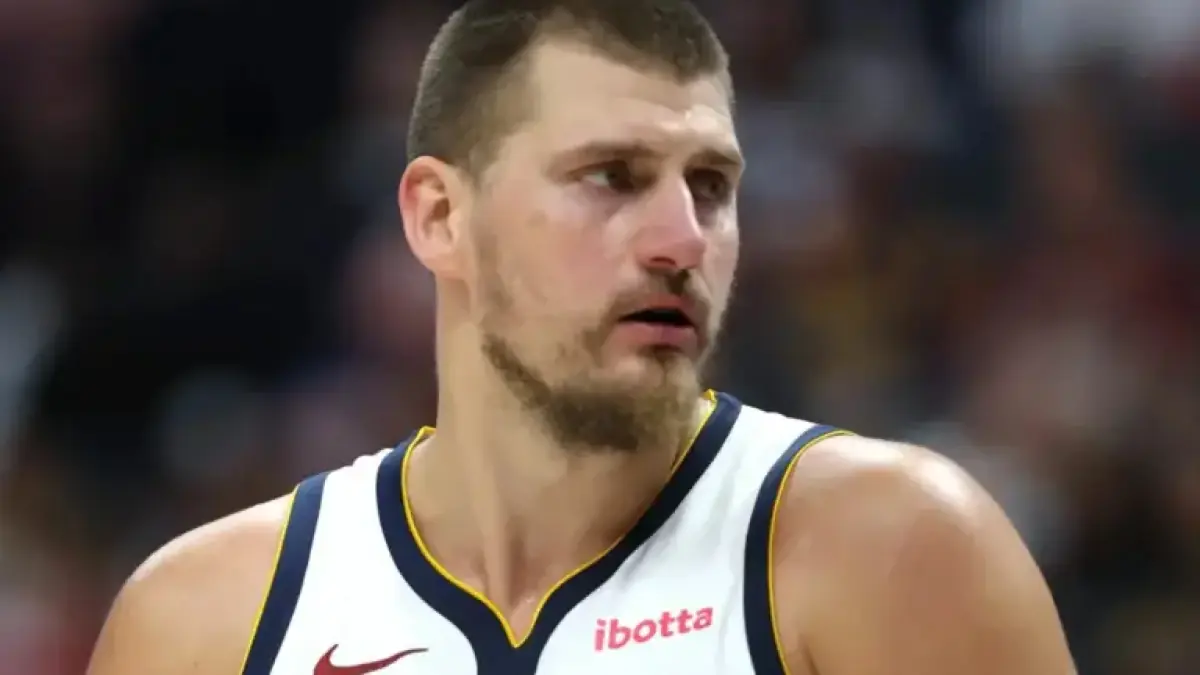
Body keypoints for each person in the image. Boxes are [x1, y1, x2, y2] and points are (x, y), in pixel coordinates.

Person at [87, 1, 1077, 673]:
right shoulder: (208, 622)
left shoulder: (890, 549)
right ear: (440, 217)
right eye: (611, 176)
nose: (682, 240)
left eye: (711, 187)